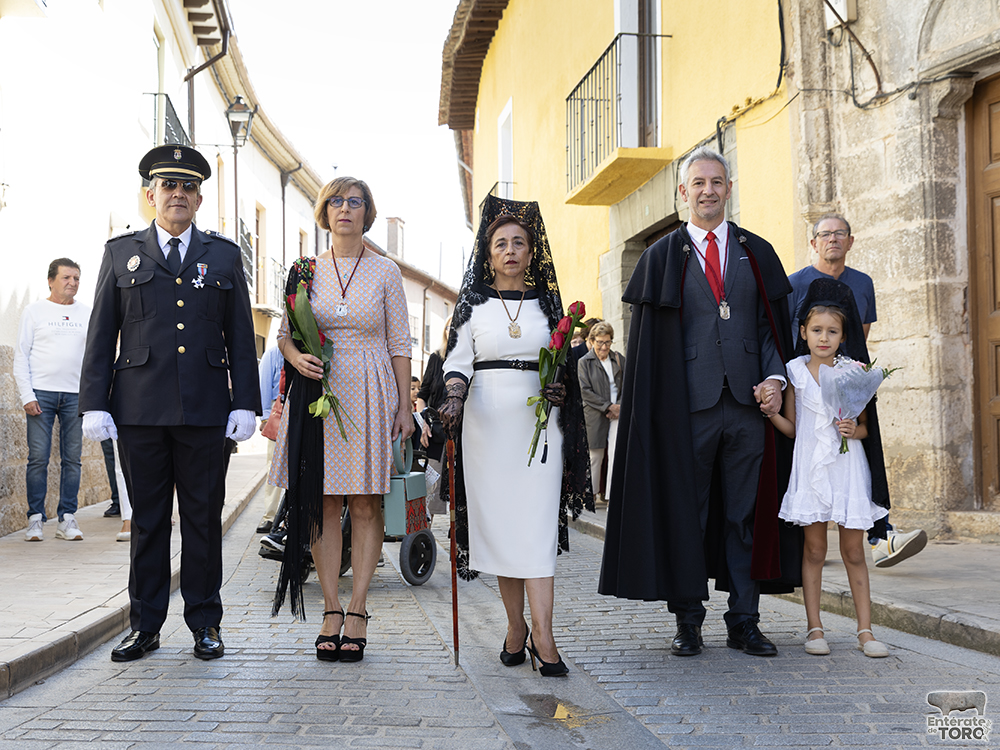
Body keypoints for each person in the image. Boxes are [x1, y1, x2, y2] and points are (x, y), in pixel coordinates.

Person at [599, 147, 799, 658]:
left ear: (728, 188)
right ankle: (688, 621)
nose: (708, 190)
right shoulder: (661, 257)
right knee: (690, 515)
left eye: (716, 181)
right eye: (698, 183)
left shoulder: (757, 252)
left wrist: (775, 378)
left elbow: (772, 329)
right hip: (686, 409)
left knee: (745, 517)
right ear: (683, 192)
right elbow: (649, 346)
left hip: (749, 409)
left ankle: (744, 620)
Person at [80, 144, 260, 662]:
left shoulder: (223, 255)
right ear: (150, 195)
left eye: (188, 187)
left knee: (203, 519)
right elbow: (102, 332)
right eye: (168, 185)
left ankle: (205, 623)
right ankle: (145, 626)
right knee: (149, 522)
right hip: (138, 410)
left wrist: (244, 402)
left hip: (205, 410)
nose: (178, 193)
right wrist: (94, 402)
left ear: (199, 199)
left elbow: (239, 333)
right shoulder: (121, 253)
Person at [439, 195, 593, 677]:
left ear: (531, 251)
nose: (510, 250)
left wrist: (559, 384)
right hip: (486, 427)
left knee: (537, 529)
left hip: (540, 425)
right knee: (504, 529)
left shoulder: (548, 306)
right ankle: (515, 627)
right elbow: (457, 361)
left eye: (519, 243)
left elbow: (560, 362)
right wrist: (455, 397)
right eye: (501, 243)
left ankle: (544, 636)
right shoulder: (472, 306)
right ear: (488, 254)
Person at [267, 176, 413, 663]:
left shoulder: (387, 271)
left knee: (366, 504)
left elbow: (399, 344)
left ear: (367, 212)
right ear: (324, 212)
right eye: (336, 201)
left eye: (355, 201)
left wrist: (405, 407)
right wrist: (295, 357)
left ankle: (358, 609)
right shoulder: (304, 270)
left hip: (370, 390)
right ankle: (331, 608)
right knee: (322, 503)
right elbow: (284, 333)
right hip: (318, 393)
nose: (345, 208)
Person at [788, 214, 925, 568]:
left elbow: (857, 339)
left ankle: (881, 536)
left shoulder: (863, 283)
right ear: (814, 242)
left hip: (850, 385)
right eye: (825, 234)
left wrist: (854, 382)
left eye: (840, 234)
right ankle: (804, 546)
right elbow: (790, 337)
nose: (833, 239)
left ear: (851, 241)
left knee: (865, 453)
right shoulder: (795, 283)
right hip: (808, 386)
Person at [768, 278, 890, 657]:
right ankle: (815, 628)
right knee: (815, 549)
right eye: (817, 330)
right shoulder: (794, 371)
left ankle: (865, 631)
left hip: (847, 466)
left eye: (832, 331)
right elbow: (793, 428)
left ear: (843, 335)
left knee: (853, 550)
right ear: (803, 332)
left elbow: (866, 428)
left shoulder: (854, 371)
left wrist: (854, 429)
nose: (824, 337)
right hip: (811, 468)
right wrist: (771, 414)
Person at [14, 259, 89, 542]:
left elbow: (94, 356)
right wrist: (27, 395)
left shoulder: (87, 313)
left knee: (73, 460)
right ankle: (35, 519)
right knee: (38, 459)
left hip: (76, 395)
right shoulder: (34, 311)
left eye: (76, 278)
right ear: (50, 281)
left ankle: (67, 518)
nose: (72, 282)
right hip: (41, 394)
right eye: (66, 277)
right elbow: (21, 355)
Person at [577, 321, 624, 506]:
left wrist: (619, 406)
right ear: (591, 341)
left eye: (607, 342)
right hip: (596, 414)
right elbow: (585, 391)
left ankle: (612, 495)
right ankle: (591, 494)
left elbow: (628, 385)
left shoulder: (618, 359)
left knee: (615, 453)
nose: (604, 347)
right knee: (595, 455)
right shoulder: (584, 362)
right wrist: (608, 406)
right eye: (600, 342)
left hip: (617, 413)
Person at [415, 319, 451, 519]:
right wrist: (423, 424)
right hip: (435, 434)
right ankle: (423, 535)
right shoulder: (436, 358)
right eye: (448, 326)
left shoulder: (473, 360)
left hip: (464, 433)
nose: (452, 330)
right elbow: (422, 396)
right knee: (429, 494)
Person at [257, 345, 285, 534]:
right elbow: (264, 385)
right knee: (274, 466)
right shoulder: (274, 354)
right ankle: (270, 516)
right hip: (278, 413)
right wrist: (265, 418)